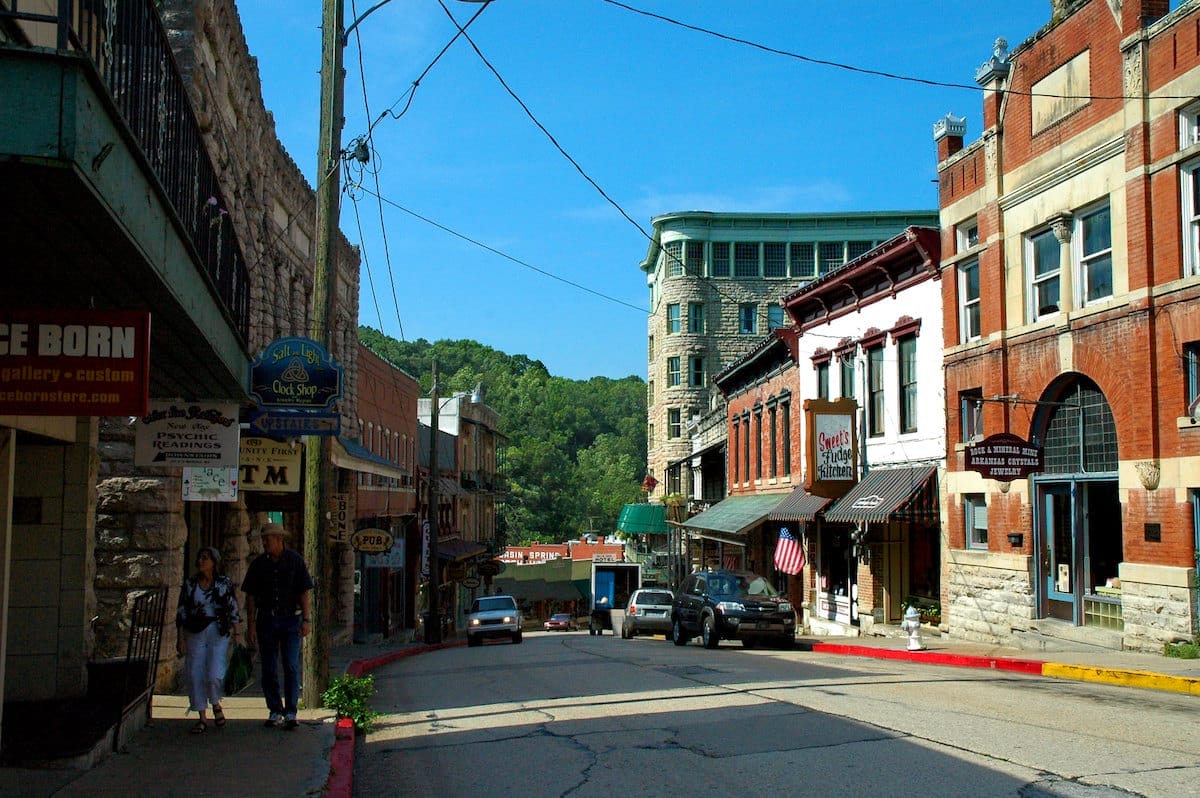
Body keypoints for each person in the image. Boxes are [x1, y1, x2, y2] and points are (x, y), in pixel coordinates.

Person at [242, 523, 314, 730]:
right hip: (266, 620)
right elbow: (251, 598)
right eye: (264, 539)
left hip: (291, 619)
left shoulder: (295, 561)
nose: (265, 543)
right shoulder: (258, 565)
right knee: (269, 667)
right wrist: (252, 627)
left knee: (291, 665)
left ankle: (291, 711)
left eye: (269, 539)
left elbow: (304, 592)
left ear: (279, 540)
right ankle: (275, 709)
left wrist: (307, 620)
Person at [175, 546, 240, 734]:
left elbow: (232, 607)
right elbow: (182, 612)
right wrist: (181, 638)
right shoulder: (190, 584)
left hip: (218, 630)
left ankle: (215, 702)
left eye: (206, 558)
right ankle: (201, 716)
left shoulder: (223, 583)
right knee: (195, 673)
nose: (201, 561)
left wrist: (237, 633)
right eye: (200, 558)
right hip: (195, 630)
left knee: (214, 673)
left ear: (214, 562)